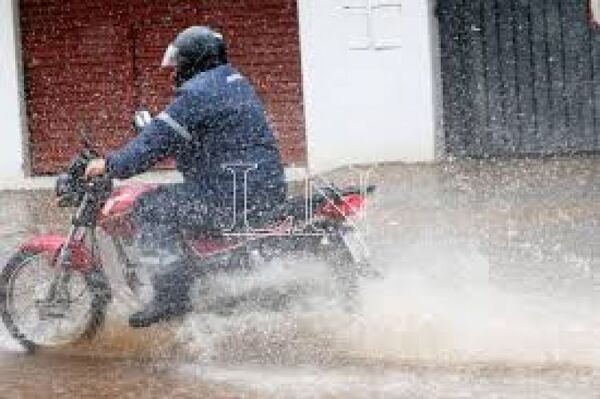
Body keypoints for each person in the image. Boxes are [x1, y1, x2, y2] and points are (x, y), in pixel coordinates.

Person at [84, 26, 286, 328]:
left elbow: (152, 144)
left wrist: (110, 164)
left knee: (151, 207)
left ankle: (171, 295)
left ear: (193, 61)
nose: (174, 71)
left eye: (178, 64)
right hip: (261, 187)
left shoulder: (198, 93)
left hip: (229, 195)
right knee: (178, 201)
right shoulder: (232, 81)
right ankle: (198, 275)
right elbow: (203, 135)